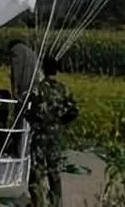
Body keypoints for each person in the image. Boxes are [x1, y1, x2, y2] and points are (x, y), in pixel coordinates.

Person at [25, 56, 78, 207]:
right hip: (55, 135)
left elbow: (30, 112)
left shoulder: (38, 89)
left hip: (41, 135)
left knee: (37, 172)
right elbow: (74, 111)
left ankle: (37, 202)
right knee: (54, 173)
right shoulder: (64, 89)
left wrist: (34, 122)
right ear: (57, 70)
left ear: (43, 69)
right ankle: (56, 203)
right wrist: (60, 122)